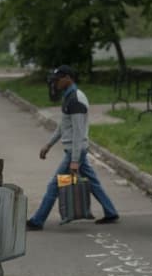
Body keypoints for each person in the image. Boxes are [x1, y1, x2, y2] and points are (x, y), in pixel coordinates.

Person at [26, 65, 119, 231]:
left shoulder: (76, 99)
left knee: (53, 186)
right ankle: (111, 212)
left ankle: (37, 221)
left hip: (76, 151)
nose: (55, 83)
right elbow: (63, 126)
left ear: (68, 78)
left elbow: (78, 133)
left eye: (58, 79)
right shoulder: (69, 97)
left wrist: (75, 160)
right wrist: (48, 144)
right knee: (93, 183)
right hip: (76, 150)